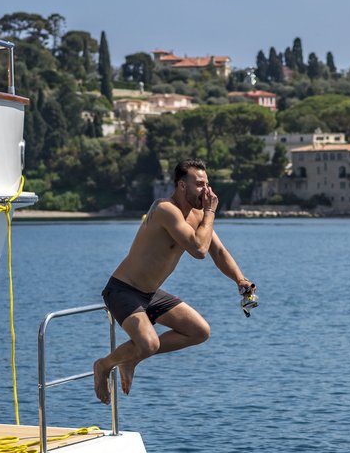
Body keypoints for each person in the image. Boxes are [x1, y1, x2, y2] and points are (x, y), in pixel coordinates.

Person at [92, 159, 255, 403]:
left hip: (150, 292)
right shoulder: (165, 210)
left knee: (199, 331)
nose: (207, 190)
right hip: (123, 290)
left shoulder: (199, 215)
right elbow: (199, 250)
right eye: (199, 184)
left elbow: (217, 251)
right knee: (149, 344)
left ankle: (131, 358)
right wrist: (210, 212)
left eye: (207, 184)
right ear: (181, 185)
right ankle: (104, 365)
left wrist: (240, 280)